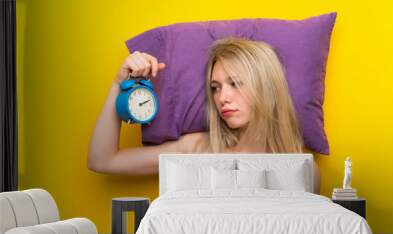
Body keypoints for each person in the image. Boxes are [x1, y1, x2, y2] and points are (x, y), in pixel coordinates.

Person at [87, 37, 320, 192]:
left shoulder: (302, 167)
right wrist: (119, 83)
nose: (222, 98)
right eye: (215, 87)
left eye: (235, 83)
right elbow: (103, 160)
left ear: (267, 87)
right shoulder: (198, 148)